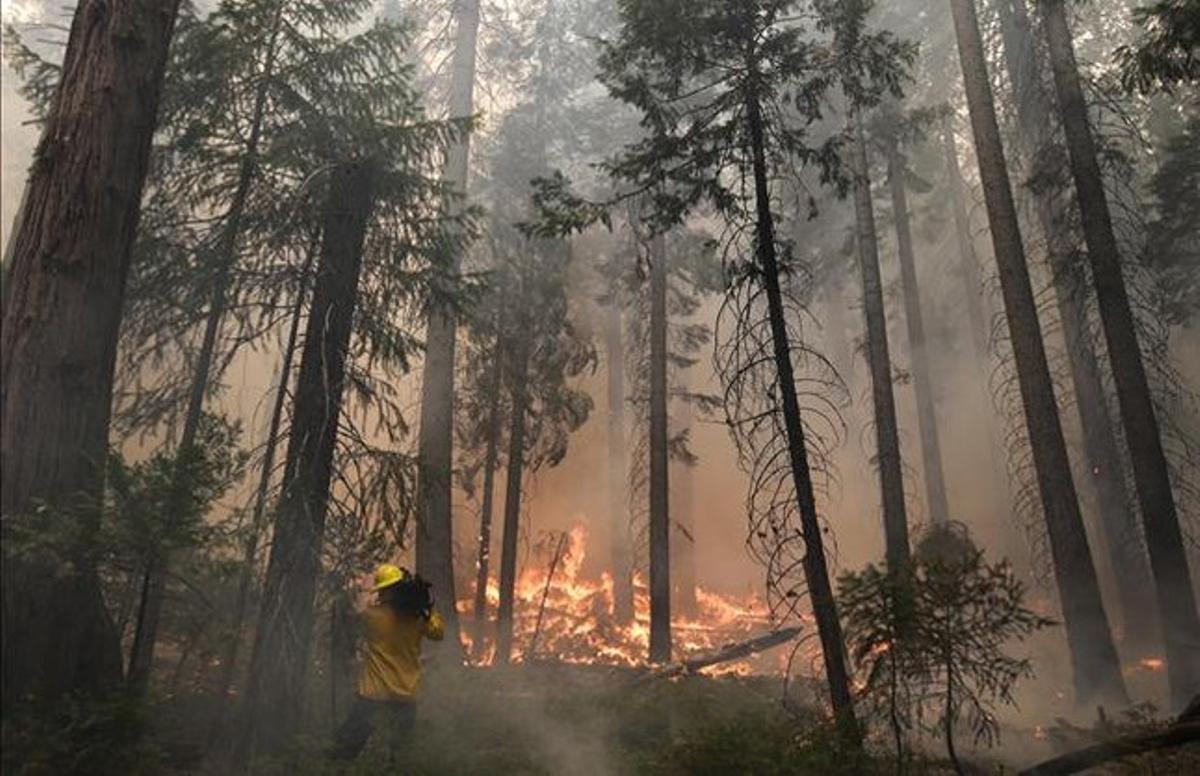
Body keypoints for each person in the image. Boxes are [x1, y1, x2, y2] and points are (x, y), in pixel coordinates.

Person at [331, 563, 444, 763]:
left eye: (382, 591)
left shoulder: (373, 616)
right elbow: (438, 633)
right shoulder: (418, 620)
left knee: (344, 749)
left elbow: (351, 620)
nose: (380, 595)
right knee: (399, 755)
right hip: (406, 695)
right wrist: (426, 609)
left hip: (373, 694)